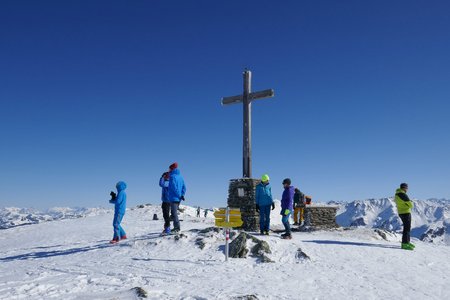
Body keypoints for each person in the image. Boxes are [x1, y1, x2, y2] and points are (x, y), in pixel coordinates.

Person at [395, 183, 415, 250]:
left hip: (401, 212)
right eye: (407, 188)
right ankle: (405, 244)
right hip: (406, 212)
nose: (407, 189)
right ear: (404, 188)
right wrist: (410, 203)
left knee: (406, 228)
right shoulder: (403, 194)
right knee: (407, 228)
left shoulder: (397, 194)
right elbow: (411, 205)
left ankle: (407, 242)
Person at [168, 162, 186, 232]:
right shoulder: (181, 177)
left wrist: (179, 195)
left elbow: (174, 187)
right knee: (173, 213)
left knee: (174, 213)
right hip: (179, 198)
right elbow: (184, 187)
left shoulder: (172, 177)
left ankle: (177, 228)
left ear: (172, 169)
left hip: (174, 197)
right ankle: (173, 226)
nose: (168, 170)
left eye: (169, 169)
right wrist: (182, 195)